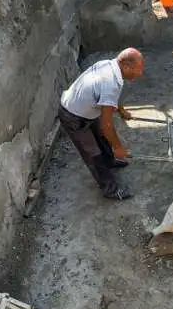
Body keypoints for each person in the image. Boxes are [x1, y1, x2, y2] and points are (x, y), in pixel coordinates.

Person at [58, 48, 144, 200]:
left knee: (101, 137)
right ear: (125, 66)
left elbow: (111, 97)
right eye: (137, 70)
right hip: (73, 116)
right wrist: (118, 147)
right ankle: (110, 190)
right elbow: (107, 125)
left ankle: (110, 161)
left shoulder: (110, 66)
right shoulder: (110, 83)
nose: (140, 74)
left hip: (85, 109)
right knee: (93, 154)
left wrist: (121, 110)